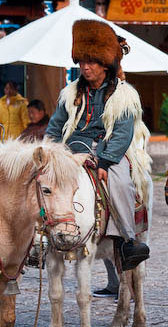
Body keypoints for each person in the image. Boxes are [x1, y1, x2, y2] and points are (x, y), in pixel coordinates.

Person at [45, 19, 150, 271]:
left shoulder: (124, 94)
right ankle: (39, 239)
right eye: (82, 61)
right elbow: (55, 127)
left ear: (105, 65)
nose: (85, 67)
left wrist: (105, 160)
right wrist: (50, 153)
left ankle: (127, 240)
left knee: (122, 182)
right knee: (42, 183)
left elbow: (122, 134)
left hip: (108, 154)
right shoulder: (69, 93)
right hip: (71, 152)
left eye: (91, 61)